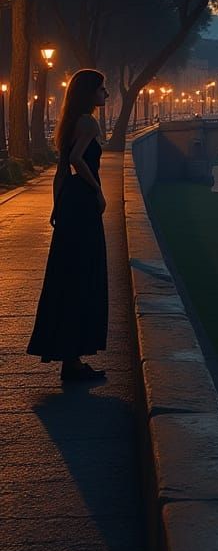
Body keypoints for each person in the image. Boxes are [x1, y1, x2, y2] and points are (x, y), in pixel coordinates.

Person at [27, 69, 110, 381]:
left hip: (70, 203)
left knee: (67, 275)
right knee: (85, 274)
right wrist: (98, 191)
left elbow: (61, 168)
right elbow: (77, 159)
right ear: (90, 93)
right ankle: (73, 359)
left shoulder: (68, 122)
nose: (106, 94)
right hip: (83, 203)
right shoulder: (89, 122)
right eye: (102, 90)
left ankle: (70, 357)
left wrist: (57, 205)